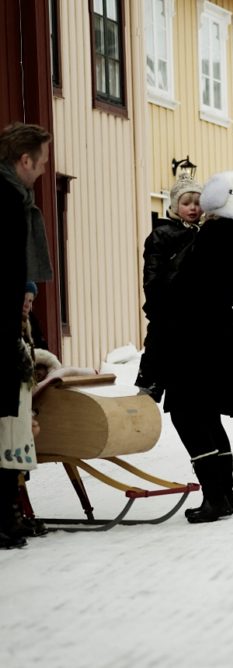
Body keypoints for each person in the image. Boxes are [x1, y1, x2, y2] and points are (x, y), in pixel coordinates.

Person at [161, 171, 233, 523]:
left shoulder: (211, 237)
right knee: (206, 416)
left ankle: (215, 497)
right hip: (223, 337)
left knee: (189, 415)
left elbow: (185, 288)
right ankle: (226, 492)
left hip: (197, 340)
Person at [0, 122, 53, 549]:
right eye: (41, 163)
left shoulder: (18, 198)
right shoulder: (5, 200)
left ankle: (9, 511)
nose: (42, 170)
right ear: (24, 160)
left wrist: (28, 289)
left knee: (11, 418)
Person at [135, 175, 204, 402]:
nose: (193, 208)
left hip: (194, 309)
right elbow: (152, 273)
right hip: (167, 304)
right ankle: (149, 387)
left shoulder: (205, 234)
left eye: (197, 202)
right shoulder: (162, 234)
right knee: (158, 343)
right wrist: (155, 302)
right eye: (186, 203)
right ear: (174, 206)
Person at [23, 281, 48, 350]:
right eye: (24, 299)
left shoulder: (33, 321)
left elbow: (43, 347)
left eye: (30, 301)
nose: (27, 305)